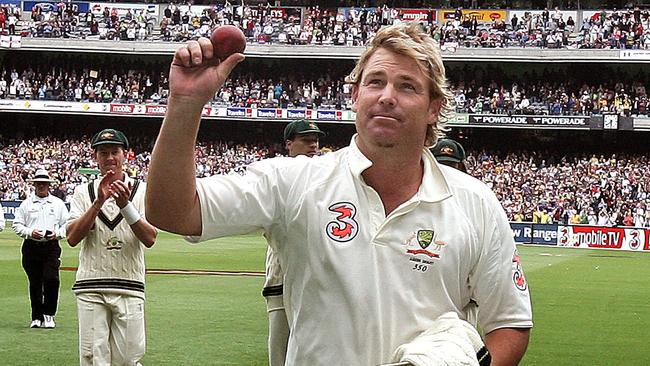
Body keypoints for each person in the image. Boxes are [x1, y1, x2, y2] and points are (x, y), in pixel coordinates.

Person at [146, 22, 532, 365]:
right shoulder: (294, 181)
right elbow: (173, 212)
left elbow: (510, 325)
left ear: (434, 108)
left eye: (408, 86)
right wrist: (185, 103)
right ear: (355, 96)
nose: (387, 96)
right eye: (375, 82)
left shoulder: (475, 203)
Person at [66, 128, 157, 366]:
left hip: (129, 285)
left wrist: (125, 205)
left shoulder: (142, 191)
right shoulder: (82, 192)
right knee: (93, 357)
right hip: (91, 285)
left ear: (125, 154)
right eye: (103, 153)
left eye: (114, 152)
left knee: (128, 359)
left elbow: (150, 238)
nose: (109, 158)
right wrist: (97, 203)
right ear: (95, 157)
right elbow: (73, 238)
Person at [264, 119, 326, 366]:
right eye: (306, 140)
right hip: (281, 275)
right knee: (279, 353)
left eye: (316, 140)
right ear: (289, 144)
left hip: (317, 278)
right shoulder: (275, 177)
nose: (313, 145)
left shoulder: (324, 177)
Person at [12, 168, 69, 329]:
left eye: (44, 183)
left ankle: (49, 314)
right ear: (35, 185)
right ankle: (36, 317)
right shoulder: (26, 204)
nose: (42, 186)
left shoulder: (57, 204)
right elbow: (17, 225)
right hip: (31, 247)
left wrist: (57, 234)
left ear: (48, 185)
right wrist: (30, 232)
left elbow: (68, 224)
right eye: (39, 183)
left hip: (51, 246)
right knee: (35, 283)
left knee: (52, 279)